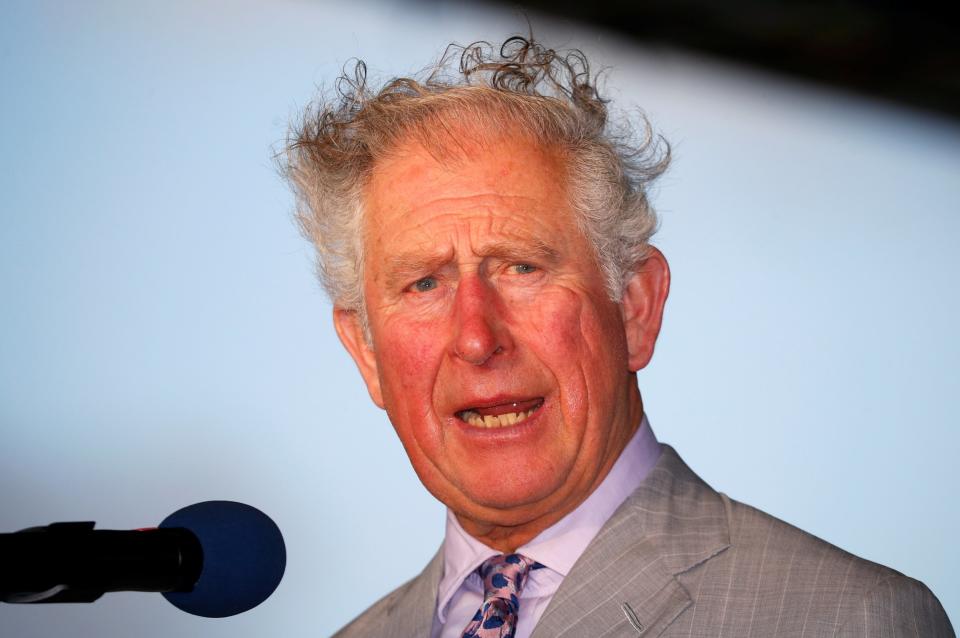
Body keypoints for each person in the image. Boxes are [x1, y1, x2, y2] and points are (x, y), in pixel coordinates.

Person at [283, 35, 953, 637]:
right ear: (366, 351)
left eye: (522, 267)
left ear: (633, 307)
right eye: (424, 284)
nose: (477, 338)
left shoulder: (849, 619)